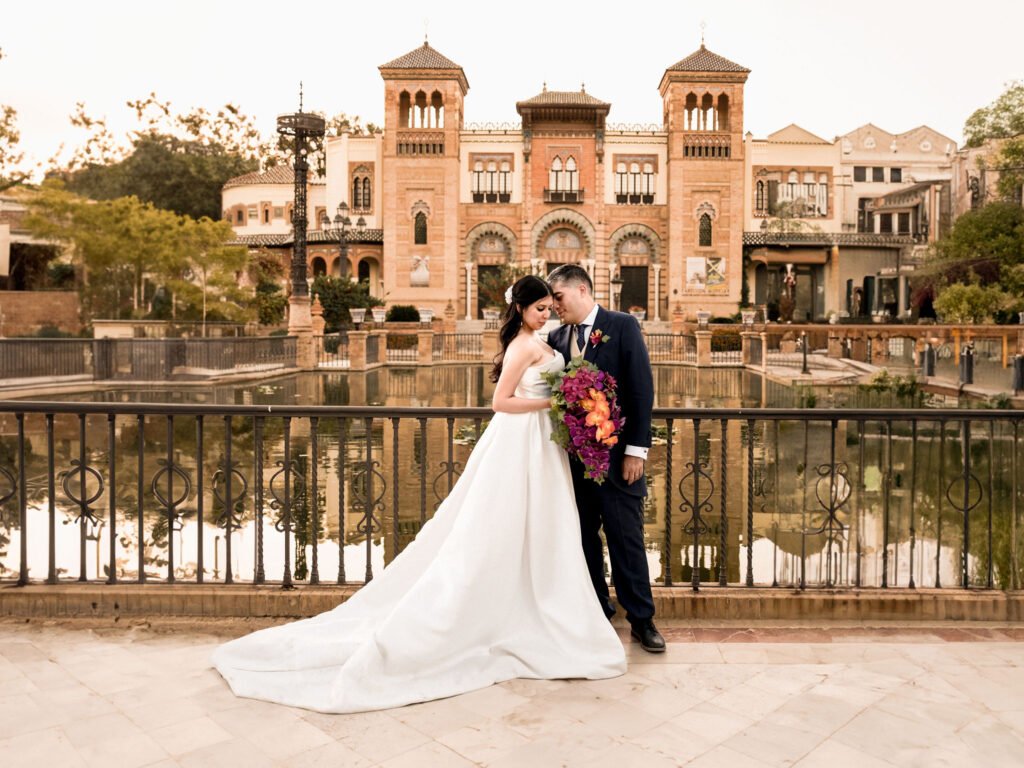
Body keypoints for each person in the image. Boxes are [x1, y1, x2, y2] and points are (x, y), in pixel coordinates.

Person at [211, 275, 626, 713]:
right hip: (521, 440)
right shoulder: (523, 346)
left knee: (542, 525)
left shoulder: (545, 339)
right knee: (502, 520)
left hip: (543, 445)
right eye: (540, 308)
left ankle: (541, 600)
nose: (547, 314)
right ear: (521, 309)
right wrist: (551, 404)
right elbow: (500, 402)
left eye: (549, 307)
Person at [546, 265, 665, 653]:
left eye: (558, 298)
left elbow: (641, 390)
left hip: (618, 461)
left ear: (582, 290)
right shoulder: (556, 338)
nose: (554, 307)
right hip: (574, 463)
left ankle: (642, 619)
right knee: (582, 541)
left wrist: (636, 450)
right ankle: (598, 609)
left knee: (625, 539)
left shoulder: (622, 325)